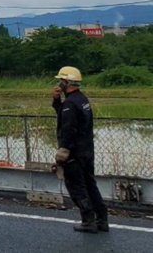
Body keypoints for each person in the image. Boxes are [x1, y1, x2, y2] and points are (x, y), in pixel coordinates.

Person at [52, 66, 108, 233]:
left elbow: (68, 128)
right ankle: (102, 220)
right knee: (90, 185)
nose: (59, 84)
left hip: (74, 153)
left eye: (61, 81)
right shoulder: (82, 99)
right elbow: (68, 116)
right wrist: (57, 101)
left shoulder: (70, 103)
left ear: (67, 82)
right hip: (87, 150)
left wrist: (64, 151)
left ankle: (88, 221)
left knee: (76, 187)